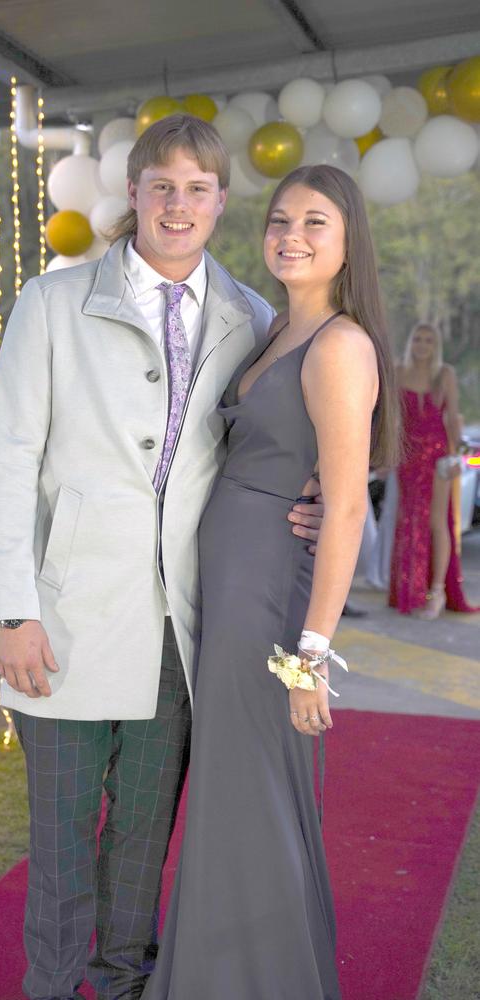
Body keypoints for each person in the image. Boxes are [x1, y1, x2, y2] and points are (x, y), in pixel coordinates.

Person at [0, 114, 323, 1000]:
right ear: (132, 193)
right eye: (161, 185)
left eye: (196, 189)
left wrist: (308, 499)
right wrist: (10, 609)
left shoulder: (251, 317)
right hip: (63, 624)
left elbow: (277, 438)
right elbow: (8, 457)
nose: (178, 204)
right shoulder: (52, 303)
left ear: (220, 202)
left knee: (141, 840)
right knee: (60, 842)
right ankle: (51, 987)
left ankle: (125, 985)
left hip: (182, 631)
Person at [141, 164, 398, 1000]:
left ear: (348, 239)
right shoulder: (274, 329)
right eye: (281, 219)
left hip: (269, 615)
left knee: (251, 795)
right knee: (233, 797)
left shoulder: (340, 344)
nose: (292, 234)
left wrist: (311, 657)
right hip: (234, 593)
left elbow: (349, 511)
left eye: (315, 222)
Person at [389, 321, 477, 617]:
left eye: (428, 340)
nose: (422, 345)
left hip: (437, 457)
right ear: (411, 342)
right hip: (407, 457)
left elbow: (453, 420)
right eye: (418, 339)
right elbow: (392, 417)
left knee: (436, 522)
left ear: (435, 345)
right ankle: (409, 590)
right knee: (408, 521)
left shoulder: (445, 374)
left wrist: (458, 461)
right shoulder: (399, 370)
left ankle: (436, 591)